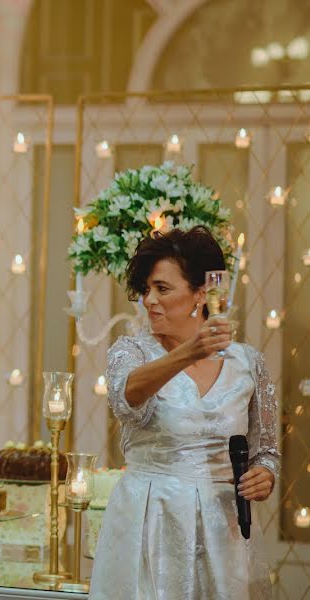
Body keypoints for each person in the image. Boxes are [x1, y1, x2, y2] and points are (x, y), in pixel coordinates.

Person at [90, 226, 279, 599]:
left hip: (221, 530)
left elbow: (266, 451)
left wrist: (265, 475)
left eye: (162, 288)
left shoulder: (247, 362)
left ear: (200, 293)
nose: (149, 301)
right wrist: (187, 352)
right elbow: (126, 400)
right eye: (146, 289)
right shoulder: (131, 353)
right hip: (149, 524)